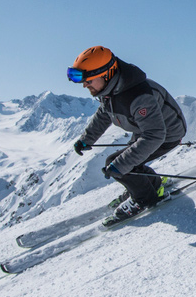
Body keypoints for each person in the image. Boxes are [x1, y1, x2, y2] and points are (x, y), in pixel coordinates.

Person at [67, 46, 188, 221]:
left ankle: (145, 198)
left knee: (120, 165)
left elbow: (155, 135)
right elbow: (104, 114)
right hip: (144, 130)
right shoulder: (110, 89)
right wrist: (86, 139)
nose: (84, 85)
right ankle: (152, 185)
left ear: (106, 74)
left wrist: (121, 166)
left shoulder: (138, 95)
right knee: (126, 163)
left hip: (165, 134)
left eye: (88, 80)